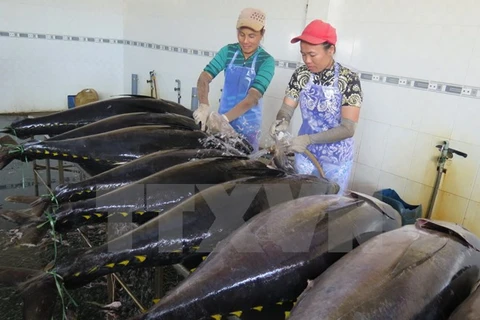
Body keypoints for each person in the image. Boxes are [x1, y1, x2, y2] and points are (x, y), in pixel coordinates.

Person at [270, 19, 363, 194]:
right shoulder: (301, 74)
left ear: (331, 50)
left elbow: (348, 128)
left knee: (329, 206)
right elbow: (287, 108)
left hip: (336, 159)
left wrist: (309, 139)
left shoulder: (348, 79)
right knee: (302, 201)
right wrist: (281, 121)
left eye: (312, 55)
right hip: (305, 154)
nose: (307, 60)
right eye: (303, 54)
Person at [193, 7, 275, 152]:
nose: (245, 41)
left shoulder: (266, 61)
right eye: (241, 34)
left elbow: (252, 98)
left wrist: (223, 120)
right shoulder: (228, 51)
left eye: (252, 36)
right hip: (221, 126)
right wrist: (203, 105)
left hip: (248, 128)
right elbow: (204, 78)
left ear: (262, 33)